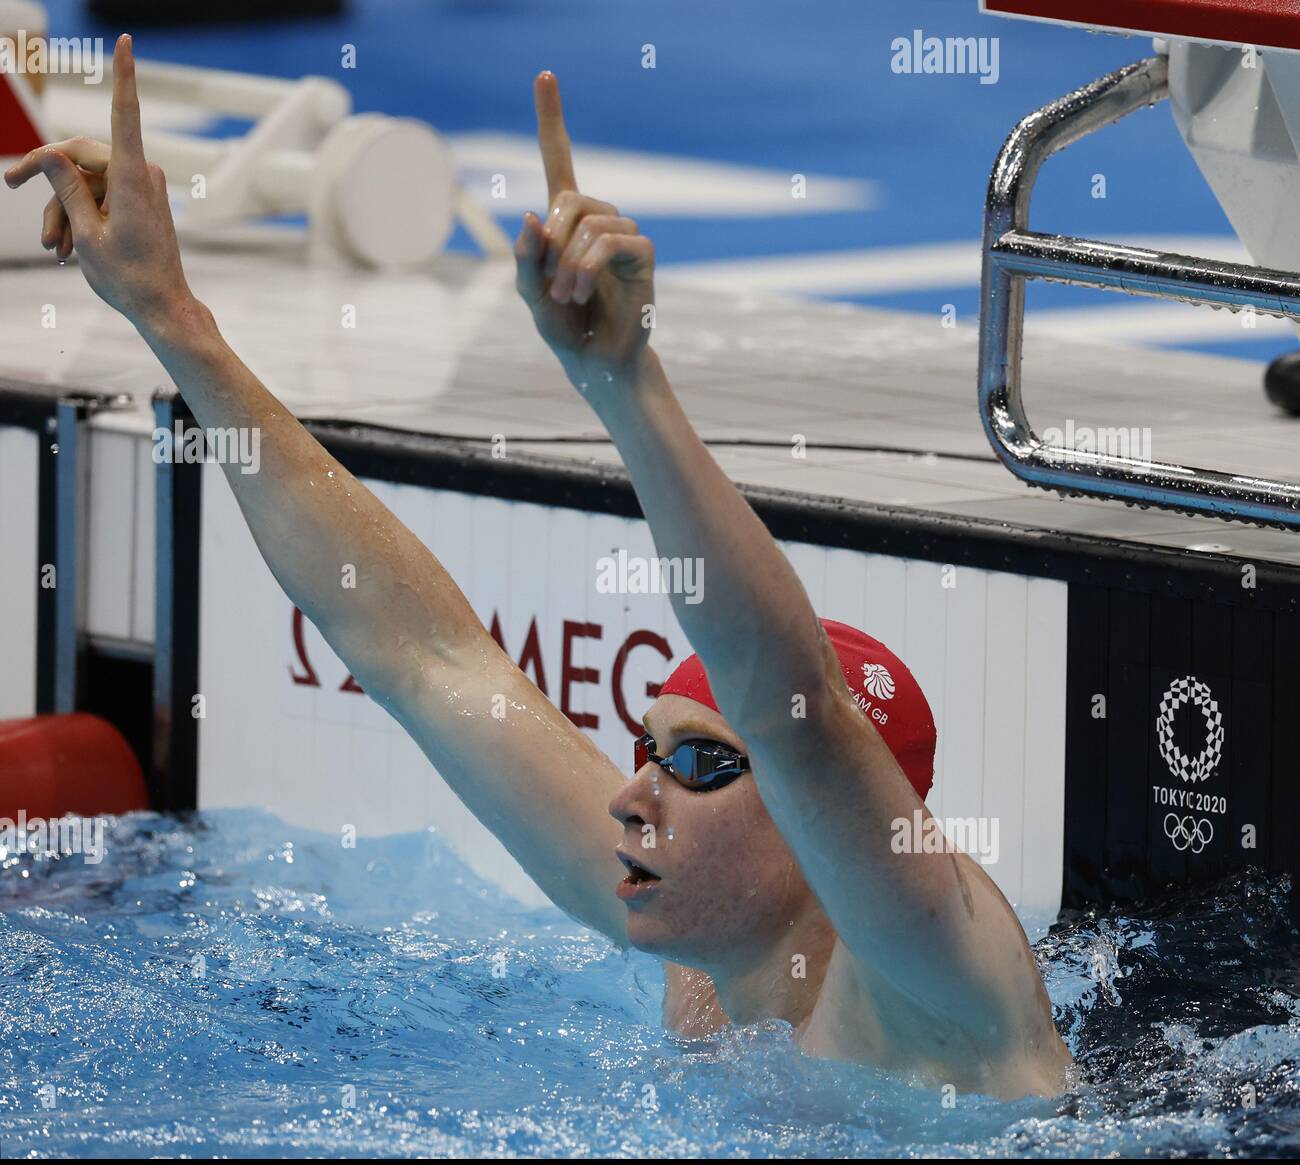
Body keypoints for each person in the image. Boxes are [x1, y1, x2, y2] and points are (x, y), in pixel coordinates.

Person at [4, 35, 1072, 1099]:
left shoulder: (933, 984)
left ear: (822, 817)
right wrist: (170, 315)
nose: (630, 799)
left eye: (698, 765)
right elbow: (425, 655)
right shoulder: (705, 939)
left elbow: (792, 708)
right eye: (648, 750)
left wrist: (624, 385)